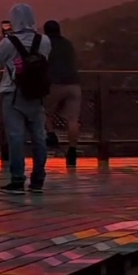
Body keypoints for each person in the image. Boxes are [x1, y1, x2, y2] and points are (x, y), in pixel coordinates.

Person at [0, 3, 51, 194]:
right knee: (39, 136)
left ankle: (17, 180)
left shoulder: (9, 42)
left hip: (13, 93)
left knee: (16, 138)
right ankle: (38, 179)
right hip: (37, 94)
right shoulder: (45, 41)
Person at [43, 20, 81, 167]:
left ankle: (51, 135)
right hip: (73, 83)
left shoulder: (45, 44)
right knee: (73, 119)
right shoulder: (68, 44)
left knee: (44, 112)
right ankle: (72, 150)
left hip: (55, 83)